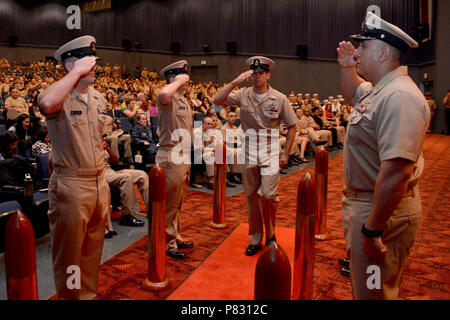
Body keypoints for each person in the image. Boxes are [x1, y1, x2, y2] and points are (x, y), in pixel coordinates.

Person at [337, 12, 429, 299]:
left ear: (383, 53)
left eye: (363, 46)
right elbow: (353, 93)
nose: (357, 52)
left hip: (381, 213)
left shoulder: (399, 96)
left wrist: (373, 231)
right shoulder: (380, 90)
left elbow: (396, 172)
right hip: (369, 206)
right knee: (368, 288)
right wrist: (345, 67)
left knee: (374, 292)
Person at [37, 35, 110, 300]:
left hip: (98, 182)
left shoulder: (99, 97)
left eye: (93, 62)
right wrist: (75, 73)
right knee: (70, 256)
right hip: (71, 185)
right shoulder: (59, 96)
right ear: (70, 65)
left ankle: (87, 296)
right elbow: (45, 104)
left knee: (91, 252)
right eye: (87, 62)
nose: (94, 67)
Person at [213, 56, 298, 256]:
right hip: (249, 148)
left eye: (261, 73)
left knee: (268, 195)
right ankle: (255, 237)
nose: (257, 76)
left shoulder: (279, 98)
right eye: (254, 73)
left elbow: (292, 125)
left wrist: (286, 152)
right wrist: (235, 82)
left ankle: (271, 233)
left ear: (268, 75)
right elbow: (217, 100)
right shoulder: (242, 94)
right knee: (251, 196)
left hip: (269, 149)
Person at [156, 60, 194, 260]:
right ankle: (167, 243)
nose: (187, 80)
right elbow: (163, 94)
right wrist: (176, 82)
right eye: (182, 76)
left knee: (178, 202)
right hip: (171, 154)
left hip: (183, 154)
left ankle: (176, 235)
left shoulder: (182, 100)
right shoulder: (167, 98)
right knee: (170, 204)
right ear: (173, 78)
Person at [102, 138, 146, 236]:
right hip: (101, 173)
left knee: (142, 174)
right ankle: (126, 216)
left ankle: (152, 211)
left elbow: (115, 161)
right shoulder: (88, 144)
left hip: (110, 170)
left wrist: (108, 149)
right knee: (126, 178)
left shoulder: (101, 141)